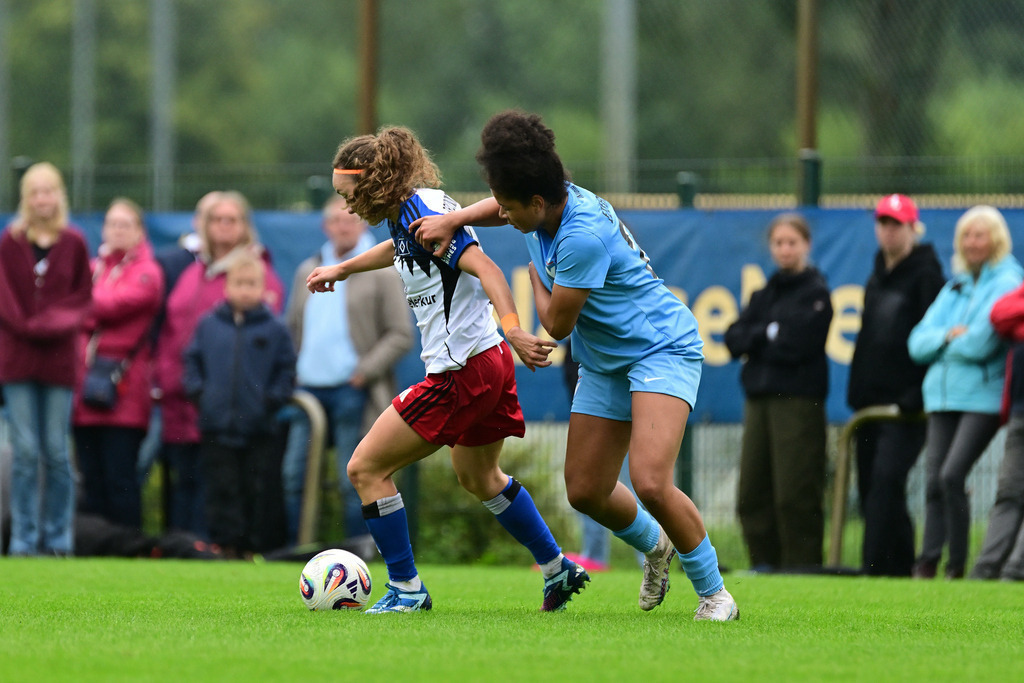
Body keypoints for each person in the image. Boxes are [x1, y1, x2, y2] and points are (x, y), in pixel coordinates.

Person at [411, 110, 738, 621]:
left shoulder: (580, 236)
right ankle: (657, 547)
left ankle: (715, 593)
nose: (505, 214)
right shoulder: (547, 198)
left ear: (537, 202)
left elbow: (557, 325)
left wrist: (536, 281)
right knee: (586, 489)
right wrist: (454, 219)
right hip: (607, 361)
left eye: (511, 206)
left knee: (651, 481)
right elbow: (502, 209)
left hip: (660, 348)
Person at [307, 125, 588, 614]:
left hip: (462, 371)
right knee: (480, 477)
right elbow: (399, 250)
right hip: (488, 363)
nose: (347, 207)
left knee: (365, 469)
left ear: (372, 181)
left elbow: (488, 269)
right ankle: (556, 567)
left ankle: (407, 589)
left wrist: (515, 328)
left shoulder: (424, 215)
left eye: (347, 195)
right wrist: (342, 269)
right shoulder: (411, 210)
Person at [154, 191, 286, 538]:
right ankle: (182, 552)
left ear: (245, 226)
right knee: (184, 483)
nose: (223, 226)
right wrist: (184, 385)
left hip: (234, 414)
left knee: (227, 489)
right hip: (184, 403)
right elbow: (176, 338)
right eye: (216, 219)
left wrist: (261, 401)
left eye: (232, 219)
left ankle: (225, 549)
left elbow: (272, 352)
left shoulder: (259, 274)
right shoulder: (191, 272)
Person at [283, 195, 413, 545]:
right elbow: (292, 328)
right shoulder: (306, 270)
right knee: (295, 475)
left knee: (351, 476)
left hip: (353, 390)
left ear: (362, 224)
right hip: (307, 392)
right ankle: (297, 548)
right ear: (326, 226)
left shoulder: (382, 270)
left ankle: (361, 547)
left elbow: (401, 334)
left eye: (350, 220)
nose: (343, 226)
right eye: (336, 221)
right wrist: (294, 370)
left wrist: (364, 371)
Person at [908, 204, 1022, 579]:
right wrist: (946, 335)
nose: (973, 242)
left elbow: (981, 345)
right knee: (934, 481)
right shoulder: (955, 283)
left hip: (983, 398)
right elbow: (916, 342)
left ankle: (956, 565)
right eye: (967, 236)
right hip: (943, 396)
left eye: (980, 234)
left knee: (952, 476)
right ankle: (928, 561)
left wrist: (944, 343)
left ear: (996, 239)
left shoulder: (1008, 281)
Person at [725, 213, 833, 572]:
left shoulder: (816, 292)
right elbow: (734, 338)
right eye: (779, 243)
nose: (785, 249)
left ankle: (801, 569)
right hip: (759, 402)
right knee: (752, 493)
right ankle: (764, 566)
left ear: (806, 245)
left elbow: (799, 344)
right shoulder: (764, 294)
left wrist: (762, 338)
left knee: (794, 494)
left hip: (797, 403)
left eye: (792, 242)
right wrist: (767, 333)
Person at [847, 194, 945, 576]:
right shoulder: (876, 275)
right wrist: (857, 391)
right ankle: (899, 570)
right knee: (874, 487)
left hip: (906, 407)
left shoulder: (927, 275)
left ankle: (871, 571)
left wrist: (915, 394)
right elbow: (869, 337)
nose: (888, 231)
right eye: (883, 223)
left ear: (912, 228)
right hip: (871, 405)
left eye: (896, 224)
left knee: (887, 481)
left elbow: (931, 339)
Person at [0, 162, 92, 556]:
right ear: (26, 197)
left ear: (58, 195)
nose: (42, 199)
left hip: (58, 363)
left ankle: (58, 540)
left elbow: (82, 299)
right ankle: (23, 539)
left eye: (48, 190)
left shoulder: (74, 242)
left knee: (56, 452)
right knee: (24, 453)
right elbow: (4, 294)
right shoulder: (10, 241)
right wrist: (25, 324)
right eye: (35, 191)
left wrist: (47, 323)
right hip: (17, 361)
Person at [183, 254, 296, 558]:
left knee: (255, 488)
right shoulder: (208, 325)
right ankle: (225, 546)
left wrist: (269, 403)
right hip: (216, 426)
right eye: (239, 284)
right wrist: (201, 397)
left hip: (259, 428)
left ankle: (251, 548)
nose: (245, 290)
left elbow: (286, 371)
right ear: (227, 287)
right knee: (221, 489)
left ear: (263, 288)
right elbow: (192, 362)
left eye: (252, 284)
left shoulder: (275, 329)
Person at [72, 198, 164, 531]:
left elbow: (113, 306)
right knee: (91, 479)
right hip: (85, 391)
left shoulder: (148, 271)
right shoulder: (95, 267)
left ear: (140, 231)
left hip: (124, 393)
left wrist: (81, 304)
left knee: (120, 478)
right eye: (112, 223)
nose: (117, 230)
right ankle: (97, 544)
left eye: (125, 224)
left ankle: (128, 547)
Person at [972, 281, 1024, 580]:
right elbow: (1001, 314)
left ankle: (1016, 570)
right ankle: (985, 570)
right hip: (1019, 412)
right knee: (1008, 492)